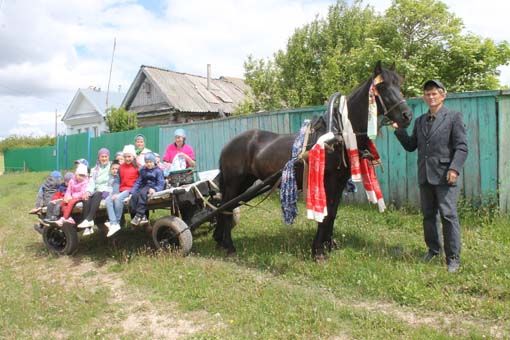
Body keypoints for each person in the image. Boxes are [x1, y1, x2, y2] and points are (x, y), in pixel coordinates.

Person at [393, 79, 468, 273]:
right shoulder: (420, 121)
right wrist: (398, 130)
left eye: (434, 93)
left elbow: (461, 147)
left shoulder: (453, 117)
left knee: (448, 215)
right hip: (425, 175)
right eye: (427, 94)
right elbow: (411, 146)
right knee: (428, 216)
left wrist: (454, 169)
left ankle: (453, 258)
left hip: (445, 176)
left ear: (443, 95)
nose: (431, 96)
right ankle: (433, 250)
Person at [105, 144, 139, 236]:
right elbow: (117, 181)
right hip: (121, 190)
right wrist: (115, 193)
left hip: (131, 190)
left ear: (133, 156)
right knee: (108, 200)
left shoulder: (137, 167)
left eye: (129, 156)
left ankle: (116, 222)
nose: (127, 158)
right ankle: (113, 222)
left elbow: (139, 181)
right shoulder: (121, 167)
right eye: (125, 156)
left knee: (118, 199)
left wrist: (130, 192)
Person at [77, 148, 112, 235]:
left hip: (107, 190)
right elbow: (91, 183)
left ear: (108, 157)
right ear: (99, 157)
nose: (104, 158)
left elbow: (113, 180)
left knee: (97, 193)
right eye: (102, 156)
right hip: (96, 190)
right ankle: (88, 228)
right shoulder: (94, 169)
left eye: (105, 156)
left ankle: (89, 219)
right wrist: (88, 192)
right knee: (86, 198)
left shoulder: (112, 167)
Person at [129, 152, 165, 226]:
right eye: (147, 162)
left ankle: (139, 215)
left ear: (154, 162)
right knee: (135, 195)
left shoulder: (158, 171)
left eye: (150, 162)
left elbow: (161, 183)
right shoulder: (143, 171)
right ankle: (143, 216)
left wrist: (155, 189)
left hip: (153, 187)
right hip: (145, 186)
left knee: (142, 193)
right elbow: (138, 182)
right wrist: (132, 191)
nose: (148, 164)